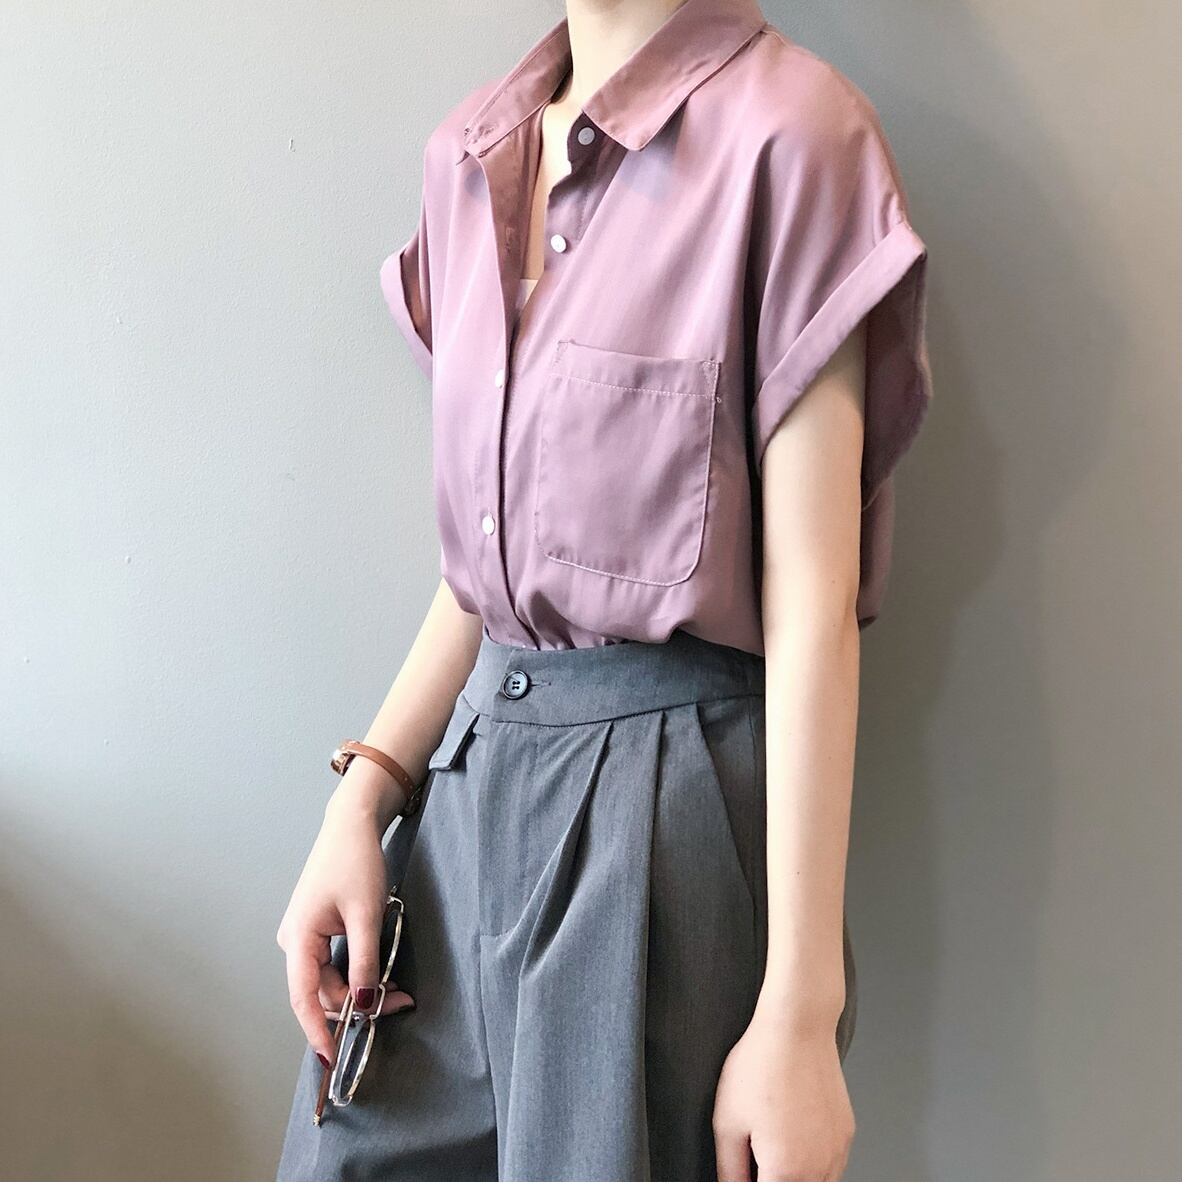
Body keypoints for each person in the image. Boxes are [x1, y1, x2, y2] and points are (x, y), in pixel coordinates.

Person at [274, 0, 932, 1178]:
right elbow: (489, 571)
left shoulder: (792, 136)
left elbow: (811, 605)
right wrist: (360, 800)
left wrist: (799, 1010)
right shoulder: (471, 155)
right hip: (459, 814)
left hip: (660, 831)